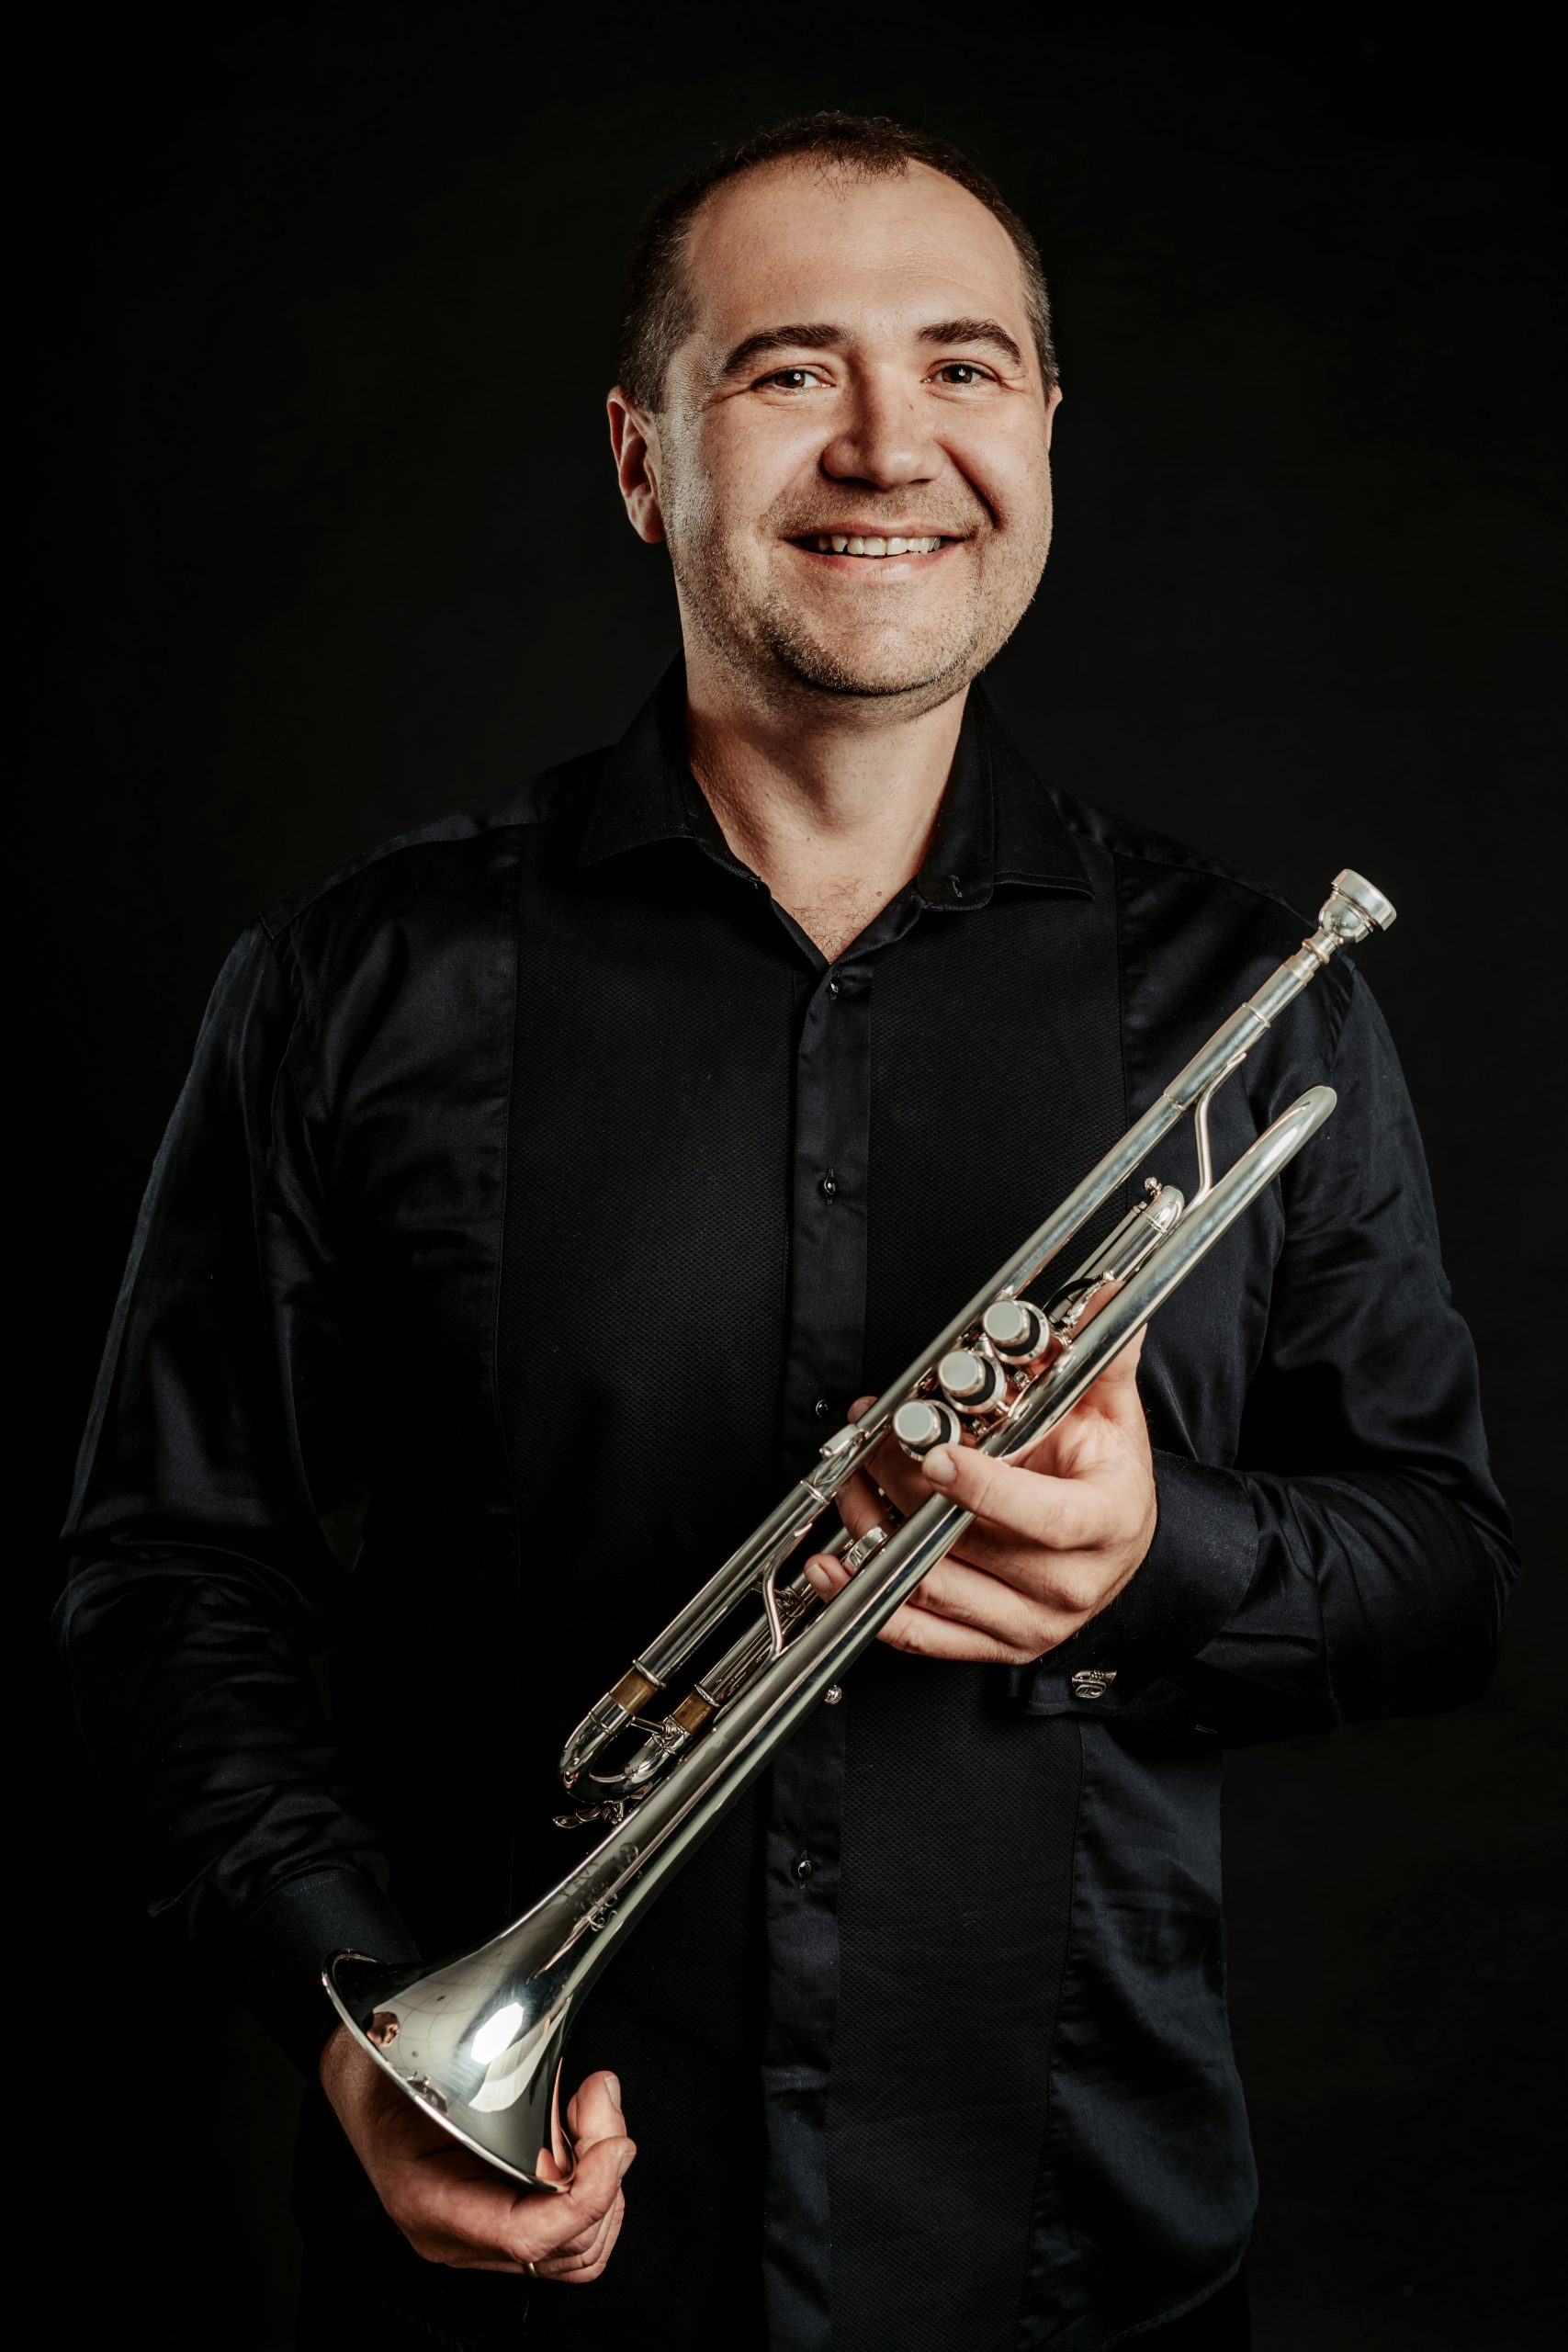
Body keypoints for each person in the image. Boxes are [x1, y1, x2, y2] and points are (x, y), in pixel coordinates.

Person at [58, 112, 1516, 2352]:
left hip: (1074, 2256)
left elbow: (1441, 1563)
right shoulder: (360, 986)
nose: (886, 444)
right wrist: (351, 2010)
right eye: (786, 369)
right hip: (527, 2270)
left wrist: (1159, 1558)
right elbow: (173, 1577)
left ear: (1041, 428)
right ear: (640, 458)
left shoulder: (1242, 992)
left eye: (961, 365)